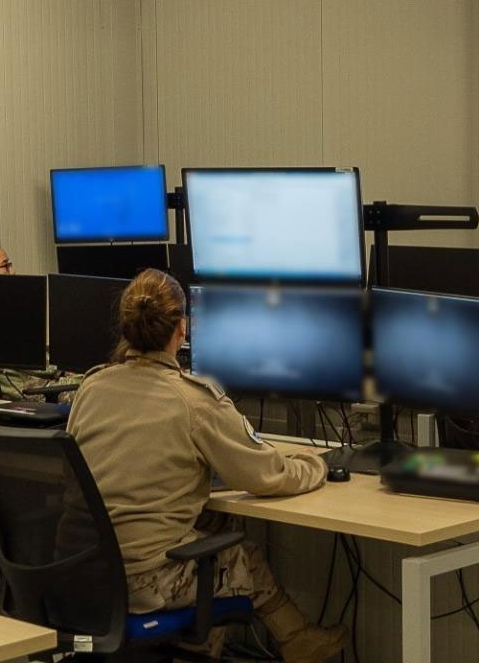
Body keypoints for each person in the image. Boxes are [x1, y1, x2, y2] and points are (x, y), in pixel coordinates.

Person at [66, 269, 348, 662]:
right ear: (183, 329)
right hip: (145, 583)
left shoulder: (91, 388)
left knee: (216, 525)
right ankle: (297, 641)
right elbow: (267, 475)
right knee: (241, 556)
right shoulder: (195, 401)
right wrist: (315, 464)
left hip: (86, 574)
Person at [0, 241, 77, 401]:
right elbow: (46, 370)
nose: (12, 271)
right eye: (5, 266)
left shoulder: (1, 314)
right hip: (35, 395)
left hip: (46, 387)